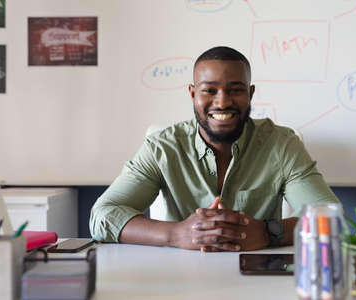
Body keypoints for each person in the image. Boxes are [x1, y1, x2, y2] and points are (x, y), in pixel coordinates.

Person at [89, 46, 339, 252]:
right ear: (192, 93)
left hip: (257, 279)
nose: (222, 102)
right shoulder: (161, 147)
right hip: (177, 278)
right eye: (209, 90)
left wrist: (267, 232)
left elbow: (331, 218)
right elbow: (103, 215)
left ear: (250, 94)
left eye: (236, 90)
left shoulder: (281, 144)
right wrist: (177, 234)